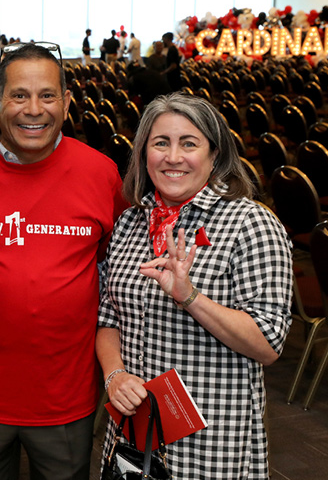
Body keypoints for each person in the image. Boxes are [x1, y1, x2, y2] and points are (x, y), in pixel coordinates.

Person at [97, 92, 292, 479]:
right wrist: (115, 376)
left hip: (211, 440)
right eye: (160, 143)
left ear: (214, 155)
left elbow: (268, 345)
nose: (173, 157)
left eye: (189, 144)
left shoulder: (250, 224)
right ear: (144, 154)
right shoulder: (131, 222)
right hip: (135, 432)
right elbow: (108, 318)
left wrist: (190, 297)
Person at [0, 42, 125, 480]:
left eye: (47, 95)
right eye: (19, 95)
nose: (34, 110)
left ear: (66, 103)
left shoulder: (101, 173)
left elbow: (116, 270)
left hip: (65, 397)